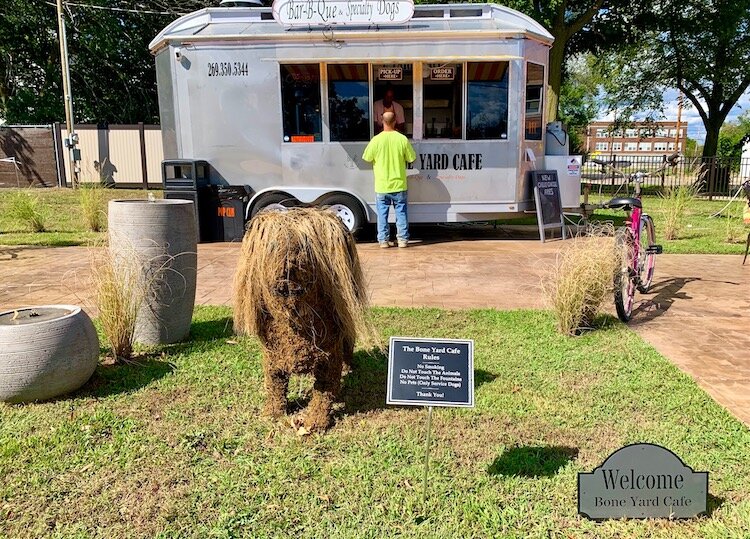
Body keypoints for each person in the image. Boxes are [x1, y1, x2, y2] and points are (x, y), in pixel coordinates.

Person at [362, 111, 417, 248]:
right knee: (401, 214)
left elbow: (367, 158)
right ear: (395, 121)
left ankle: (383, 241)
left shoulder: (376, 140)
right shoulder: (402, 139)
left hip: (382, 185)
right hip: (399, 184)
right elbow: (412, 158)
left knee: (382, 215)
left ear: (382, 121)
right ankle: (403, 240)